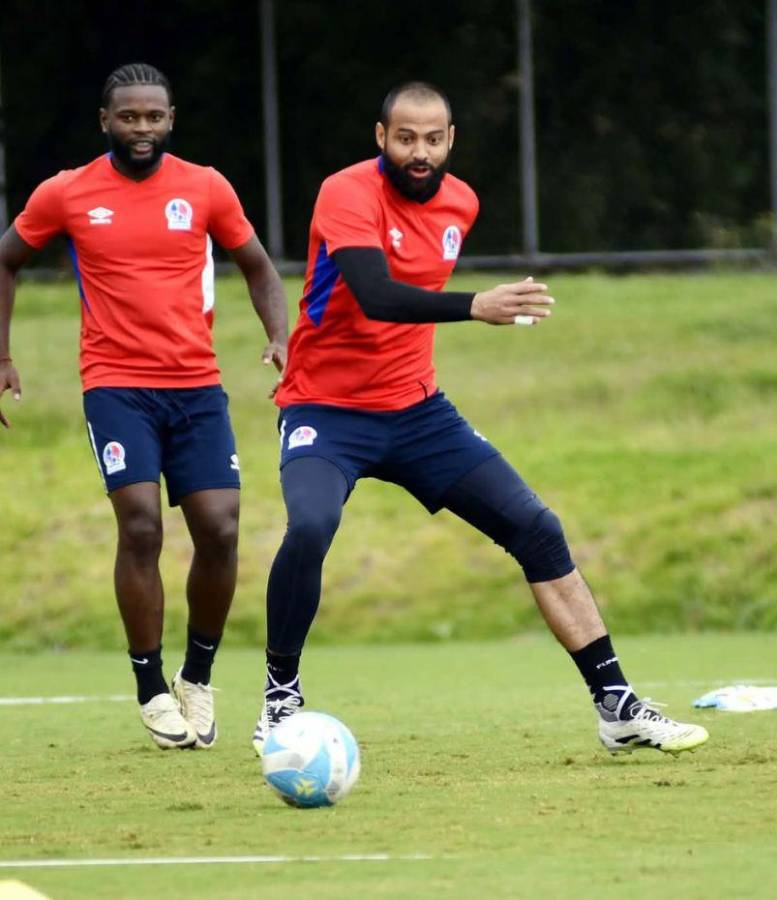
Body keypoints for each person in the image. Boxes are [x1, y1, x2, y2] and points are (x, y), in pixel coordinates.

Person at [253, 81, 708, 758]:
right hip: (326, 408)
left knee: (536, 528)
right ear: (381, 138)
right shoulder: (346, 192)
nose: (419, 151)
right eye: (405, 137)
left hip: (417, 412)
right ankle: (280, 696)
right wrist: (475, 306)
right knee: (312, 524)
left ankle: (617, 705)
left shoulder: (460, 202)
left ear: (451, 140)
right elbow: (375, 296)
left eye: (433, 138)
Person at [0, 64, 289, 750]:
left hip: (195, 387)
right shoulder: (67, 193)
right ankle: (150, 687)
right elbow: (5, 258)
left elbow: (257, 264)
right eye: (128, 117)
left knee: (219, 529)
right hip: (115, 385)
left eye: (153, 117)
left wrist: (280, 336)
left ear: (171, 120)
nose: (142, 129)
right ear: (106, 121)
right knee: (140, 527)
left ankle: (197, 677)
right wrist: (3, 355)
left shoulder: (205, 186)